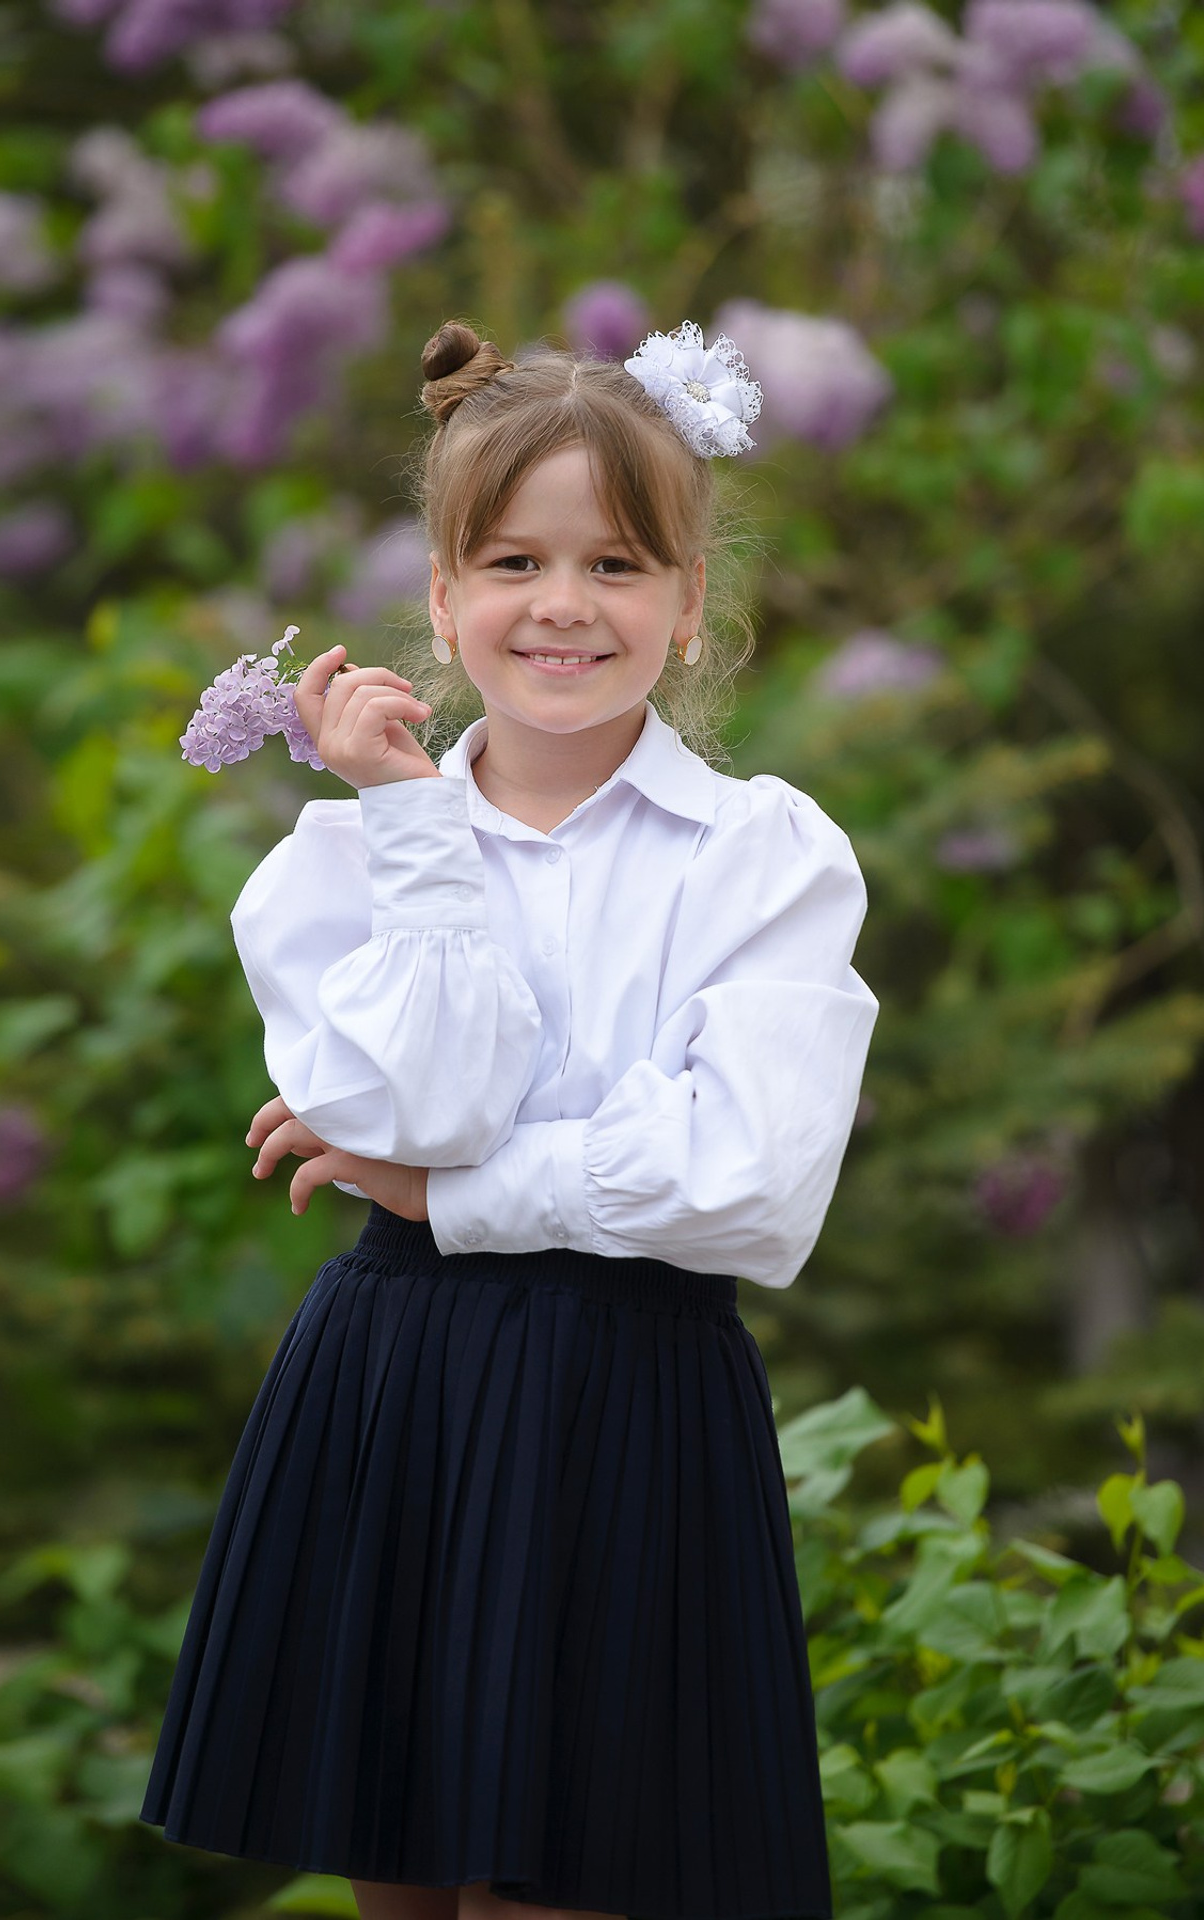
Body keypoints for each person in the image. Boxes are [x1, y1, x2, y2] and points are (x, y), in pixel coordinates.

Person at [140, 317, 880, 1920]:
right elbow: (432, 1096)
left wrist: (446, 1197)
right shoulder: (338, 866)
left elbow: (747, 1189)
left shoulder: (762, 856)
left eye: (617, 563)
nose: (562, 605)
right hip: (391, 1391)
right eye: (515, 561)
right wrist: (413, 823)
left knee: (566, 1889)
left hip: (628, 1404)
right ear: (442, 600)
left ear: (690, 608)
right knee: (399, 1890)